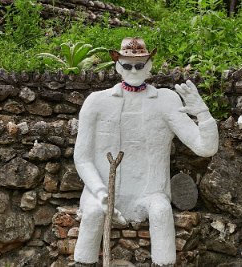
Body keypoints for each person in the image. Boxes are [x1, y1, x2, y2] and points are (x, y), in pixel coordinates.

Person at [73, 37, 219, 266]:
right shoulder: (96, 102)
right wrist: (101, 194)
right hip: (102, 189)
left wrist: (203, 113)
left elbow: (205, 147)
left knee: (161, 212)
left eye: (139, 65)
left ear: (149, 65)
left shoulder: (166, 100)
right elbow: (82, 158)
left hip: (149, 192)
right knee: (92, 215)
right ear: (117, 65)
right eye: (127, 65)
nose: (133, 70)